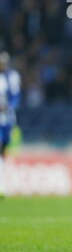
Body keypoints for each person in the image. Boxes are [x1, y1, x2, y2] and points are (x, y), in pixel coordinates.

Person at [0, 51, 21, 197]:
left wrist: (8, 107)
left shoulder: (12, 76)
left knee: (4, 151)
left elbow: (16, 97)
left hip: (8, 120)